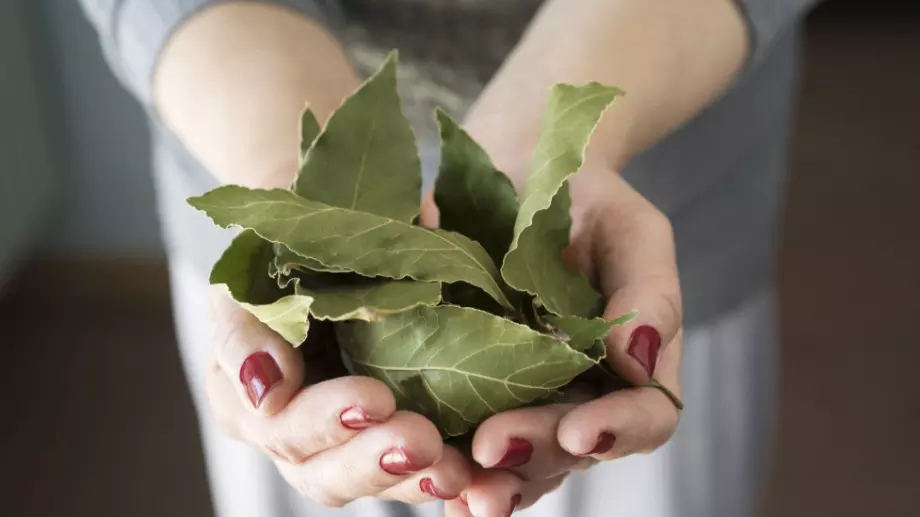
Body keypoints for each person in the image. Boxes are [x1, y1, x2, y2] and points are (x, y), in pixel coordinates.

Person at [78, 1, 819, 516]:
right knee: (312, 442)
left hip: (644, 169)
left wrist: (553, 137)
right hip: (242, 114)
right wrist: (288, 180)